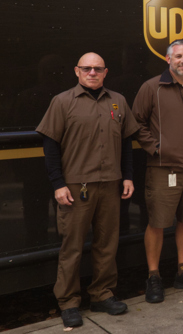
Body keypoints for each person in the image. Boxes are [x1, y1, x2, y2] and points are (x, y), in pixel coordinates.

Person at [36, 53, 140, 328]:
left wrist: (127, 177)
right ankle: (69, 302)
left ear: (105, 72)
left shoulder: (118, 101)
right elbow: (50, 147)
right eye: (87, 68)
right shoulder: (62, 102)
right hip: (75, 187)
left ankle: (102, 294)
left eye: (97, 69)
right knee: (72, 247)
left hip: (110, 185)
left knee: (107, 244)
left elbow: (127, 143)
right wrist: (58, 184)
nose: (92, 73)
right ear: (77, 71)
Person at [132, 40, 183, 303]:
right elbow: (136, 122)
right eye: (178, 56)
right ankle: (154, 276)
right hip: (162, 168)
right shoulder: (152, 87)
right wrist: (156, 148)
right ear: (168, 59)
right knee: (157, 222)